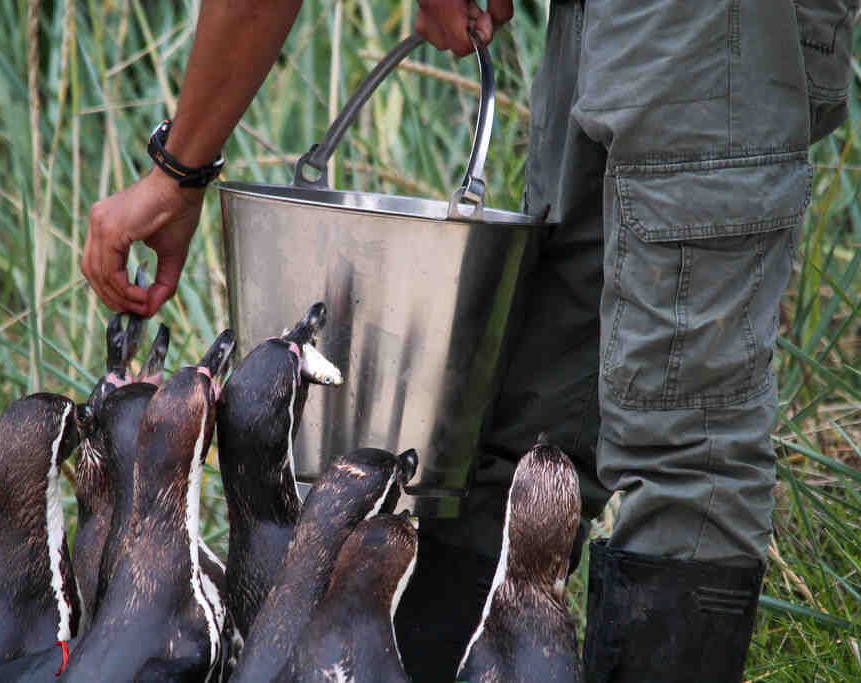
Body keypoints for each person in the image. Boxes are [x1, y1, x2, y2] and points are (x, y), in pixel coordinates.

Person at [83, 1, 856, 681]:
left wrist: (178, 171)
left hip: (713, 27)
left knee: (686, 444)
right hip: (603, 20)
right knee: (519, 431)